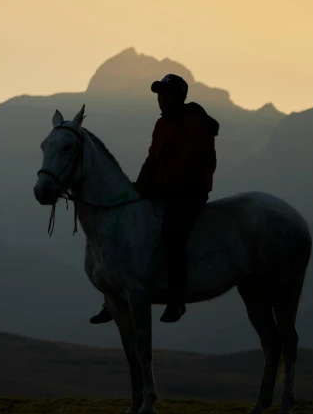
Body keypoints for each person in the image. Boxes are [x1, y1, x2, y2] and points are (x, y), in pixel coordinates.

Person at [90, 73, 220, 324]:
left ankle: (177, 298)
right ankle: (114, 296)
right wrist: (138, 188)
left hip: (190, 191)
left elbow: (186, 167)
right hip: (163, 190)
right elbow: (152, 161)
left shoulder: (194, 124)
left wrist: (155, 189)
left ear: (179, 98)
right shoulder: (162, 125)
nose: (161, 100)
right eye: (160, 95)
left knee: (172, 235)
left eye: (166, 95)